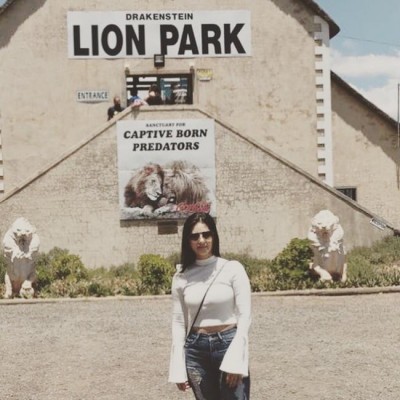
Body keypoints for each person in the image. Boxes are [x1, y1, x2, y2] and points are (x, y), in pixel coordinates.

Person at [169, 212, 251, 400]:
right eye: (195, 236)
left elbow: (245, 316)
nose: (201, 240)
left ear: (214, 236)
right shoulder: (181, 276)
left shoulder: (233, 269)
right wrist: (178, 367)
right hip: (196, 351)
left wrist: (236, 359)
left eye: (206, 234)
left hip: (228, 344)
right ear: (188, 241)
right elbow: (179, 322)